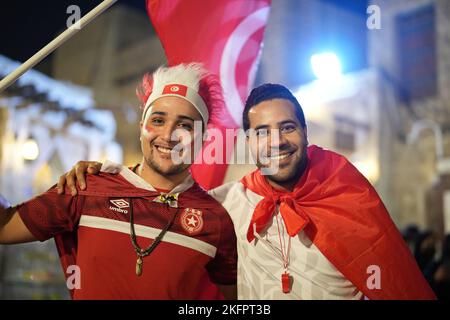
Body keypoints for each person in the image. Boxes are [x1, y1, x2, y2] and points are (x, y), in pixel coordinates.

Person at [57, 83, 436, 300]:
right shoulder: (226, 204)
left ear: (305, 133)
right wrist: (108, 175)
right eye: (261, 133)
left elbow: (395, 284)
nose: (276, 142)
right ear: (247, 142)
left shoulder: (343, 188)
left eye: (287, 128)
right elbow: (159, 203)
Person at [0, 63, 237, 300]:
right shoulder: (86, 187)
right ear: (142, 127)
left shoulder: (216, 220)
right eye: (158, 120)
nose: (168, 136)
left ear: (204, 138)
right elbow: (4, 227)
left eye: (185, 125)